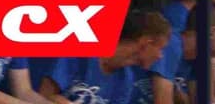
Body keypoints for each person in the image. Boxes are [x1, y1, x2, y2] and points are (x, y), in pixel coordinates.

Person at [37, 10, 173, 104]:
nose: (160, 56)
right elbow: (42, 97)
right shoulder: (78, 55)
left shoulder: (126, 79)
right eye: (160, 48)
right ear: (146, 43)